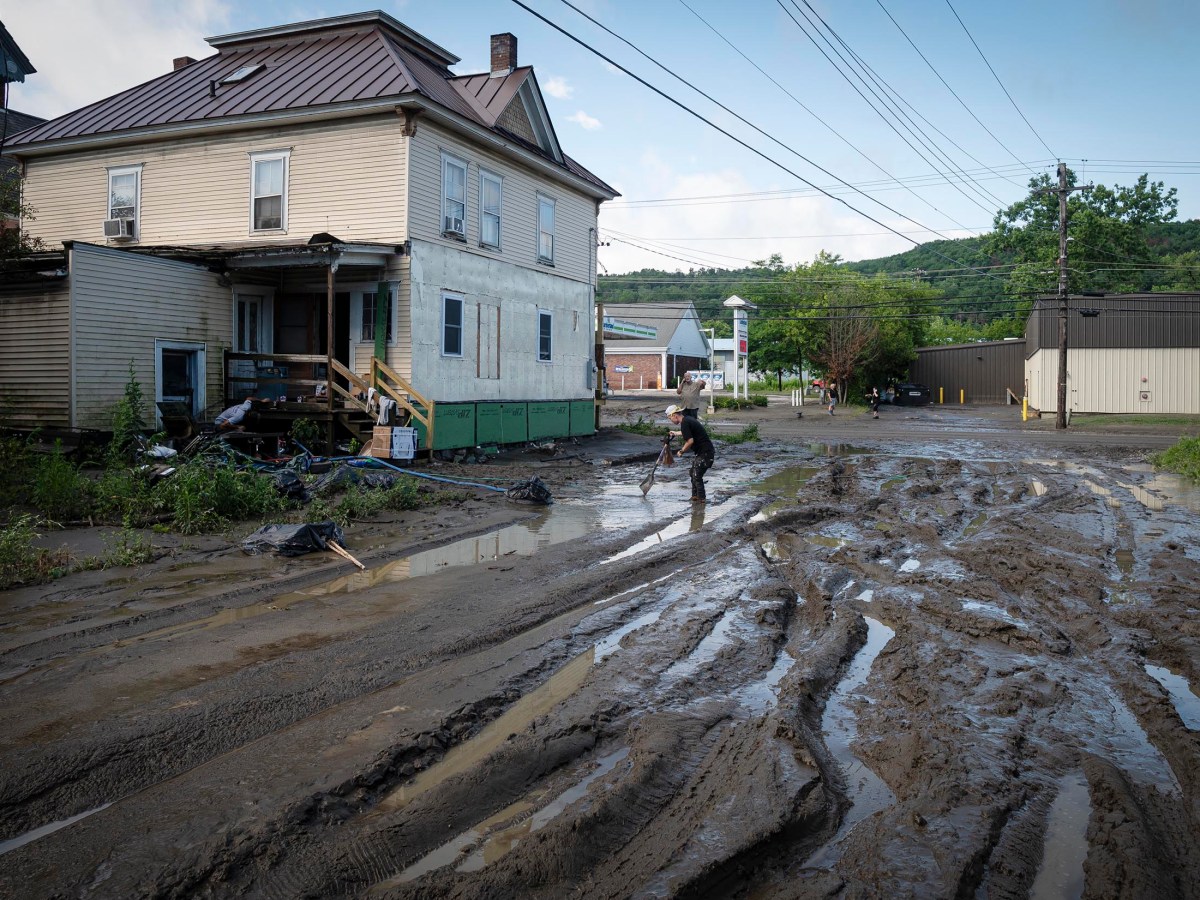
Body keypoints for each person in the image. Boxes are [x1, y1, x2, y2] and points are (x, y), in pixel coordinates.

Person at [666, 404, 715, 503]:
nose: (670, 420)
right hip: (704, 452)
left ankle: (701, 499)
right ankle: (695, 497)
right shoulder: (687, 420)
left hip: (705, 452)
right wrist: (676, 433)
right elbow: (687, 432)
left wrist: (681, 451)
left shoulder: (685, 423)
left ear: (675, 415)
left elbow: (690, 441)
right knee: (693, 473)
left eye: (670, 418)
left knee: (697, 475)